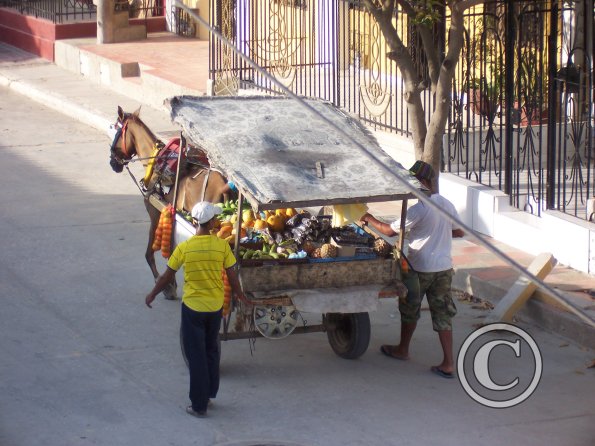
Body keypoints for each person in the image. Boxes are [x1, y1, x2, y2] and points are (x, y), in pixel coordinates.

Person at [361, 160, 464, 379]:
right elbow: (458, 232)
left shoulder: (419, 209)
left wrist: (369, 219)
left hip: (419, 268)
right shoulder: (446, 204)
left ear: (423, 181)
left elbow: (389, 231)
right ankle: (448, 363)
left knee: (410, 308)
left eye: (414, 180)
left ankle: (403, 349)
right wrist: (437, 233)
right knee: (443, 313)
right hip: (444, 268)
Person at [145, 201, 245, 417]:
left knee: (196, 355)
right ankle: (208, 395)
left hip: (193, 308)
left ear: (194, 222)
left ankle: (198, 406)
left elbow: (167, 275)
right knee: (211, 350)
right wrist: (240, 295)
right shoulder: (222, 246)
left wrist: (153, 293)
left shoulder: (185, 248)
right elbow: (232, 275)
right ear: (213, 223)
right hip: (215, 307)